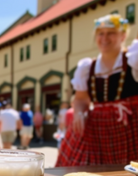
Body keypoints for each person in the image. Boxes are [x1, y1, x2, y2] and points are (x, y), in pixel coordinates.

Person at [56, 14, 138, 166]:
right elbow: (81, 99)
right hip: (97, 129)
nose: (105, 38)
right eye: (101, 33)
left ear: (123, 35)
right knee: (85, 171)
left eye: (111, 33)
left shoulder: (134, 60)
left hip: (131, 126)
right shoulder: (88, 67)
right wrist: (79, 112)